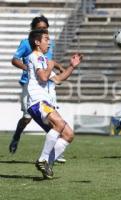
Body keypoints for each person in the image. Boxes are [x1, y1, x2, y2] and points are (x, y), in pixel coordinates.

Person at [9, 15, 66, 163]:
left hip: (47, 85)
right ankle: (16, 136)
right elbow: (15, 60)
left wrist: (59, 67)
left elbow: (46, 61)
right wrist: (27, 68)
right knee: (27, 118)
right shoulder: (26, 43)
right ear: (33, 29)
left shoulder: (48, 43)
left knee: (52, 118)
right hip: (31, 85)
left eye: (45, 28)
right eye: (40, 28)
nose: (43, 30)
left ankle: (52, 151)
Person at [27, 29, 82, 179]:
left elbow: (57, 79)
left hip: (44, 103)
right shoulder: (36, 56)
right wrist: (51, 65)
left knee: (68, 135)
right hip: (38, 101)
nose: (49, 42)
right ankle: (43, 159)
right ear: (37, 42)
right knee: (59, 124)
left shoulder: (43, 59)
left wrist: (72, 66)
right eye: (46, 39)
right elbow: (44, 77)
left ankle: (47, 166)